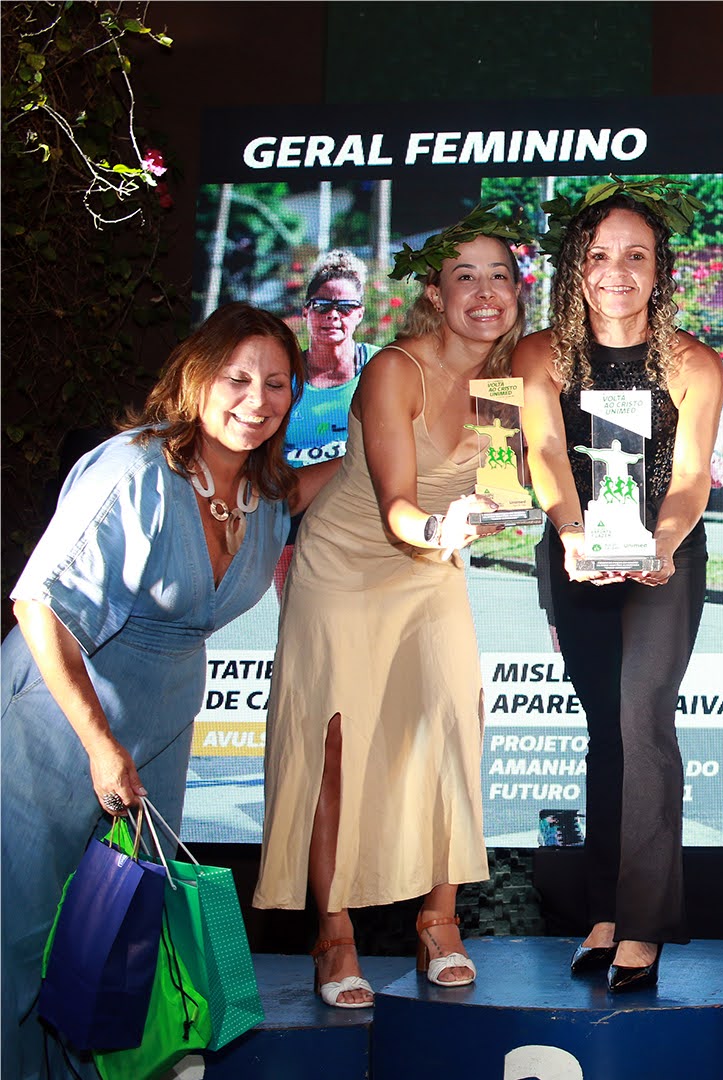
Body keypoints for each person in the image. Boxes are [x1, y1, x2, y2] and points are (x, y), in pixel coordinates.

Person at [2, 303, 324, 1078]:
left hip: (158, 733)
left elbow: (341, 478)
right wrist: (100, 746)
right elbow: (38, 606)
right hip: (58, 725)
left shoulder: (261, 491)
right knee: (20, 937)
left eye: (276, 384)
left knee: (113, 939)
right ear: (194, 377)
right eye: (237, 378)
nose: (257, 398)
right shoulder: (136, 470)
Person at [254, 207, 533, 1006]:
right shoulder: (394, 371)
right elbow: (395, 506)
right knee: (338, 750)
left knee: (454, 721)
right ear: (436, 296)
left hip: (431, 567)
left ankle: (438, 922)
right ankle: (333, 936)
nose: (485, 293)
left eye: (499, 276)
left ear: (517, 292)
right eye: (464, 277)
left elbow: (505, 498)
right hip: (347, 566)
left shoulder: (503, 382)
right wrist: (440, 527)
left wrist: (552, 516)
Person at [513, 179, 723, 993]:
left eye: (636, 256)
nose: (617, 272)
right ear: (577, 266)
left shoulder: (695, 361)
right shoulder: (540, 354)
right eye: (600, 256)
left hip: (666, 557)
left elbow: (696, 475)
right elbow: (543, 456)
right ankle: (604, 908)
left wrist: (663, 543)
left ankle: (643, 925)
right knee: (607, 730)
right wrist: (571, 537)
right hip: (575, 554)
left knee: (644, 723)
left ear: (659, 268)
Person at [274, 249, 381, 594]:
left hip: (362, 513)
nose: (333, 315)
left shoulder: (381, 367)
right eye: (322, 306)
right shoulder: (282, 376)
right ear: (306, 312)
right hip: (293, 516)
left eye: (345, 307)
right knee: (297, 617)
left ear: (360, 314)